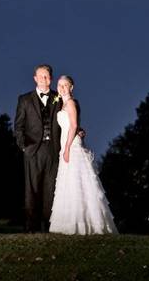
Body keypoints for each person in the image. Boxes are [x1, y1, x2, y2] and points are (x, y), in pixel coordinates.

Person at [48, 75, 118, 235]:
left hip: (71, 145)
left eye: (65, 85)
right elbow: (74, 125)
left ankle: (85, 224)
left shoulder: (71, 103)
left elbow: (72, 126)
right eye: (60, 85)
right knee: (69, 183)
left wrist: (66, 148)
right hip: (67, 143)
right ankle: (69, 223)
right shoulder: (62, 103)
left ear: (71, 87)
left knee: (77, 181)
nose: (62, 87)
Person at [14, 64, 61, 232]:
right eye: (41, 76)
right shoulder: (25, 99)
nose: (44, 79)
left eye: (47, 76)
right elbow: (18, 127)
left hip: (53, 150)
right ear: (35, 78)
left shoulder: (59, 98)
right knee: (32, 190)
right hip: (33, 150)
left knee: (51, 190)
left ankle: (49, 228)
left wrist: (79, 130)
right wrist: (24, 147)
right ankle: (30, 229)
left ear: (51, 78)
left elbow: (67, 121)